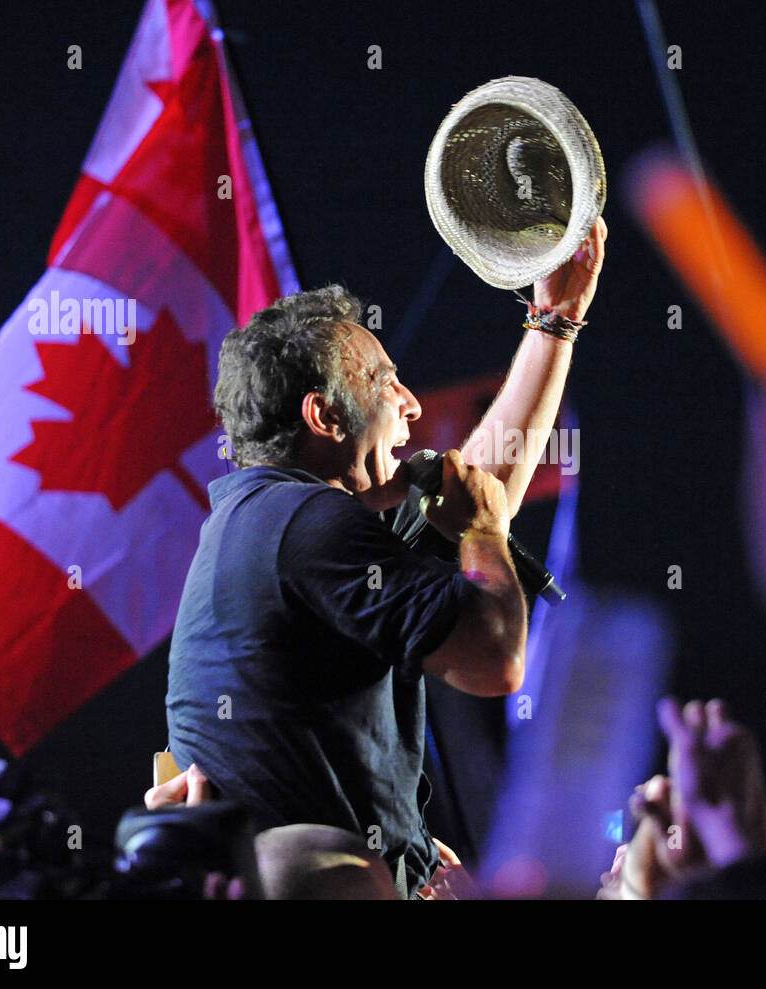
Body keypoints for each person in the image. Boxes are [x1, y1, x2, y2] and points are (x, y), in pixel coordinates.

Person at [165, 219, 606, 897]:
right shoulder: (311, 524)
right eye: (386, 382)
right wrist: (486, 533)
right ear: (325, 418)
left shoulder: (272, 521)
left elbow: (482, 486)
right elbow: (495, 657)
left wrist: (553, 322)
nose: (409, 405)